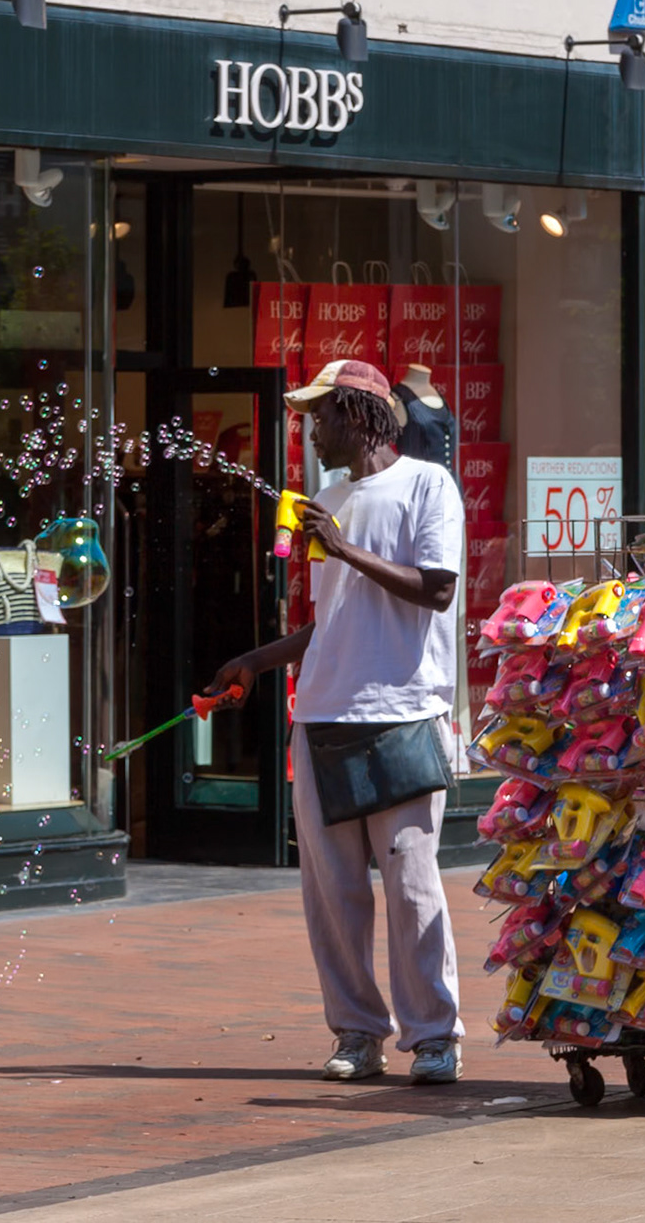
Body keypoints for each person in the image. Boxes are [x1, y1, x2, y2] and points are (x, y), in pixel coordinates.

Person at [205, 359, 465, 1084]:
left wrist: (343, 542)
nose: (311, 429)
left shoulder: (426, 484)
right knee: (332, 894)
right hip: (321, 712)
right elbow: (337, 619)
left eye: (321, 415)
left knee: (412, 885)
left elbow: (437, 591)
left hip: (404, 713)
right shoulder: (326, 495)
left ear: (360, 415)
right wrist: (257, 660)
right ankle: (356, 1033)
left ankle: (435, 1036)